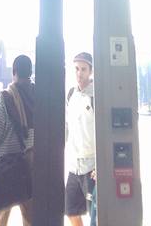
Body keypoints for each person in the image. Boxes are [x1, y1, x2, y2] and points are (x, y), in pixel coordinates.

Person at [0, 53, 35, 226]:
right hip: (30, 168)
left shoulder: (5, 99)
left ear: (14, 72)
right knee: (31, 219)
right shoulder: (40, 98)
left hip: (6, 169)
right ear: (31, 72)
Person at [65, 52, 95, 226]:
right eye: (76, 69)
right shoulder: (71, 94)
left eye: (83, 69)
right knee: (70, 211)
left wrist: (100, 166)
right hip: (73, 166)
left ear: (91, 71)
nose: (79, 73)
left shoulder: (95, 96)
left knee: (95, 214)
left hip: (91, 166)